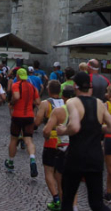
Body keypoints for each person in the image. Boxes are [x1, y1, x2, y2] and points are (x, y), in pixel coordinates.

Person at [56, 71, 111, 211]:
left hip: (76, 157)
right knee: (96, 204)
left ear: (75, 86)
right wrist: (96, 127)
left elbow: (75, 127)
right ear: (89, 86)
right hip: (95, 157)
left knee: (67, 201)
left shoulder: (72, 102)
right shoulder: (99, 103)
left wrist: (63, 130)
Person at [43, 86, 77, 211]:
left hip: (62, 148)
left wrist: (47, 136)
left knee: (61, 182)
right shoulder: (81, 110)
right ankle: (74, 207)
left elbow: (46, 130)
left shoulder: (59, 111)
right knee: (73, 183)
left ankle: (63, 205)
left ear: (63, 97)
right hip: (77, 149)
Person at [35, 80, 66, 210]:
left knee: (48, 171)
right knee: (60, 174)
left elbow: (37, 121)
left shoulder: (45, 103)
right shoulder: (66, 103)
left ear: (48, 90)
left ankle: (56, 199)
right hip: (65, 141)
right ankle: (64, 201)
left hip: (51, 140)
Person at [6, 68, 41, 177]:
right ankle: (32, 159)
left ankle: (11, 162)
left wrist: (12, 103)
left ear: (18, 76)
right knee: (28, 139)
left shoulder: (16, 85)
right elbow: (38, 102)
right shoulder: (32, 87)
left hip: (17, 115)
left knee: (14, 139)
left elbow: (16, 96)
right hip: (29, 116)